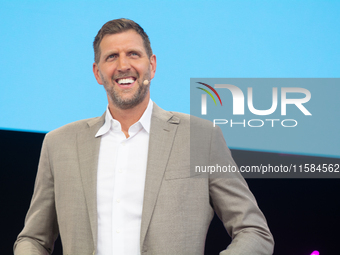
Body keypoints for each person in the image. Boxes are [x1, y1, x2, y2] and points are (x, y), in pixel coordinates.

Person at [14, 18, 274, 255]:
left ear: (152, 65)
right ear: (97, 72)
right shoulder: (59, 143)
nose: (123, 65)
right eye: (112, 57)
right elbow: (33, 239)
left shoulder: (201, 137)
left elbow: (254, 232)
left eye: (133, 54)